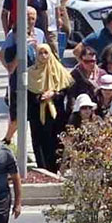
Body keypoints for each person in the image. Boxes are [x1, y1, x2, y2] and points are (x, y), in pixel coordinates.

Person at [0, 7, 44, 144]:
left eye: (33, 18)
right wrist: (10, 70)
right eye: (28, 18)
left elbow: (45, 53)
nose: (30, 21)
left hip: (35, 80)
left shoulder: (40, 33)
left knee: (34, 115)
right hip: (18, 80)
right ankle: (7, 139)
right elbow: (2, 55)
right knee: (17, 116)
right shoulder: (14, 35)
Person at [27, 44, 73, 172]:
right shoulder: (30, 73)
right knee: (39, 143)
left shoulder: (58, 70)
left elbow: (66, 89)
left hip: (56, 114)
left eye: (46, 53)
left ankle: (55, 169)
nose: (43, 56)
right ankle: (43, 169)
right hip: (37, 115)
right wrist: (40, 97)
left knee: (55, 142)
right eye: (40, 53)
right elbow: (26, 94)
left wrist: (54, 94)